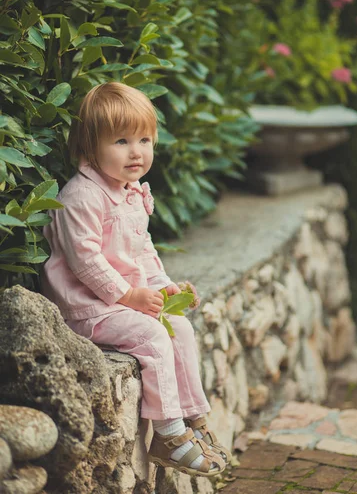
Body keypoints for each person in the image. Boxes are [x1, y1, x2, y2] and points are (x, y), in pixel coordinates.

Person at [41, 82, 230, 477]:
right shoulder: (82, 196)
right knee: (154, 336)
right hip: (85, 307)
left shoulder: (128, 192)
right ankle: (168, 434)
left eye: (145, 139)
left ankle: (193, 420)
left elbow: (142, 248)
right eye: (122, 141)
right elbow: (85, 262)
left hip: (122, 301)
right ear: (89, 148)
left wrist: (163, 286)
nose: (136, 151)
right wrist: (129, 295)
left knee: (179, 328)